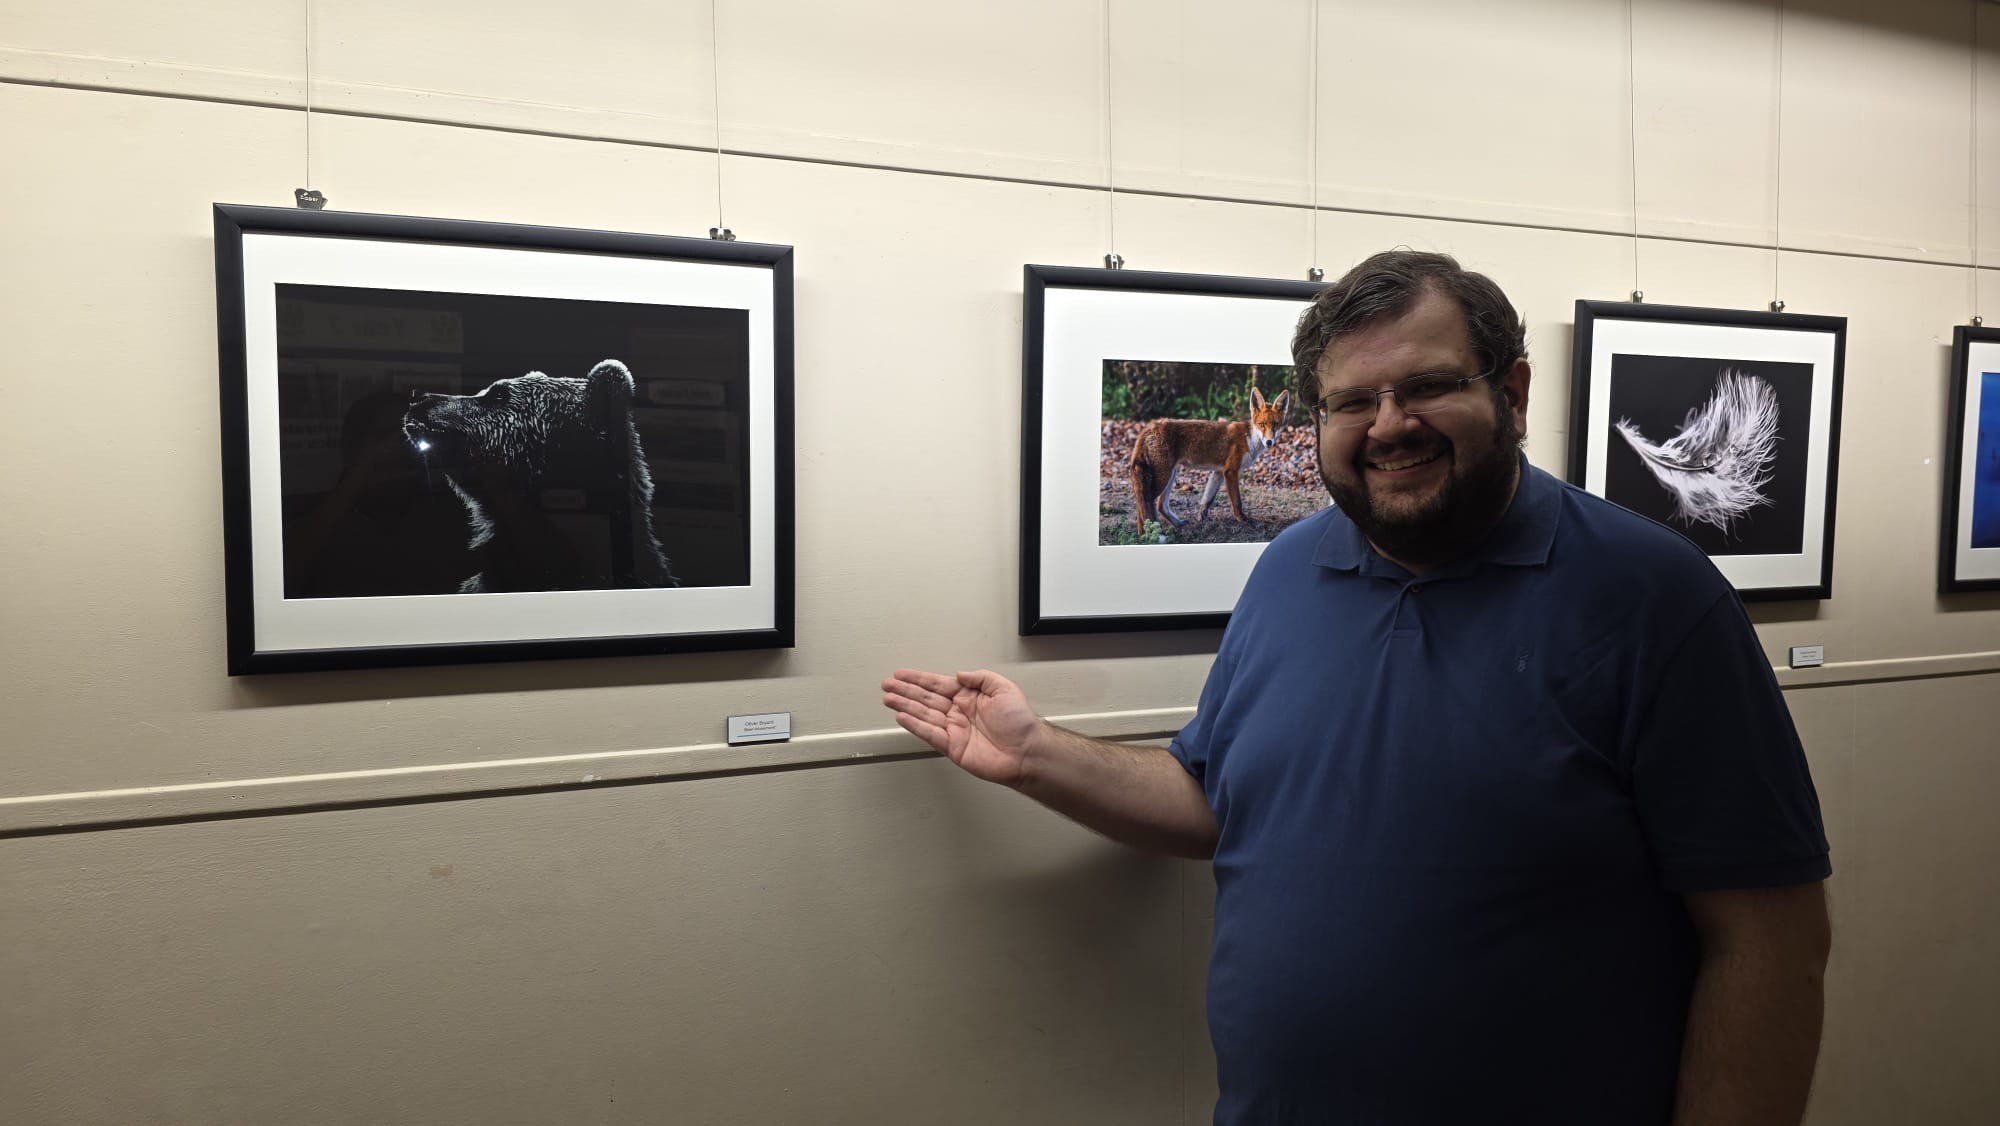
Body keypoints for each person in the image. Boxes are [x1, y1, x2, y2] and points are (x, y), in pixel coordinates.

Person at [882, 250, 1832, 1125]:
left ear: (1512, 391)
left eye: (1425, 387)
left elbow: (1769, 941)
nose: (1388, 426)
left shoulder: (1654, 597)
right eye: (1352, 401)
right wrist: (1036, 754)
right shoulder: (1288, 570)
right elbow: (1217, 800)